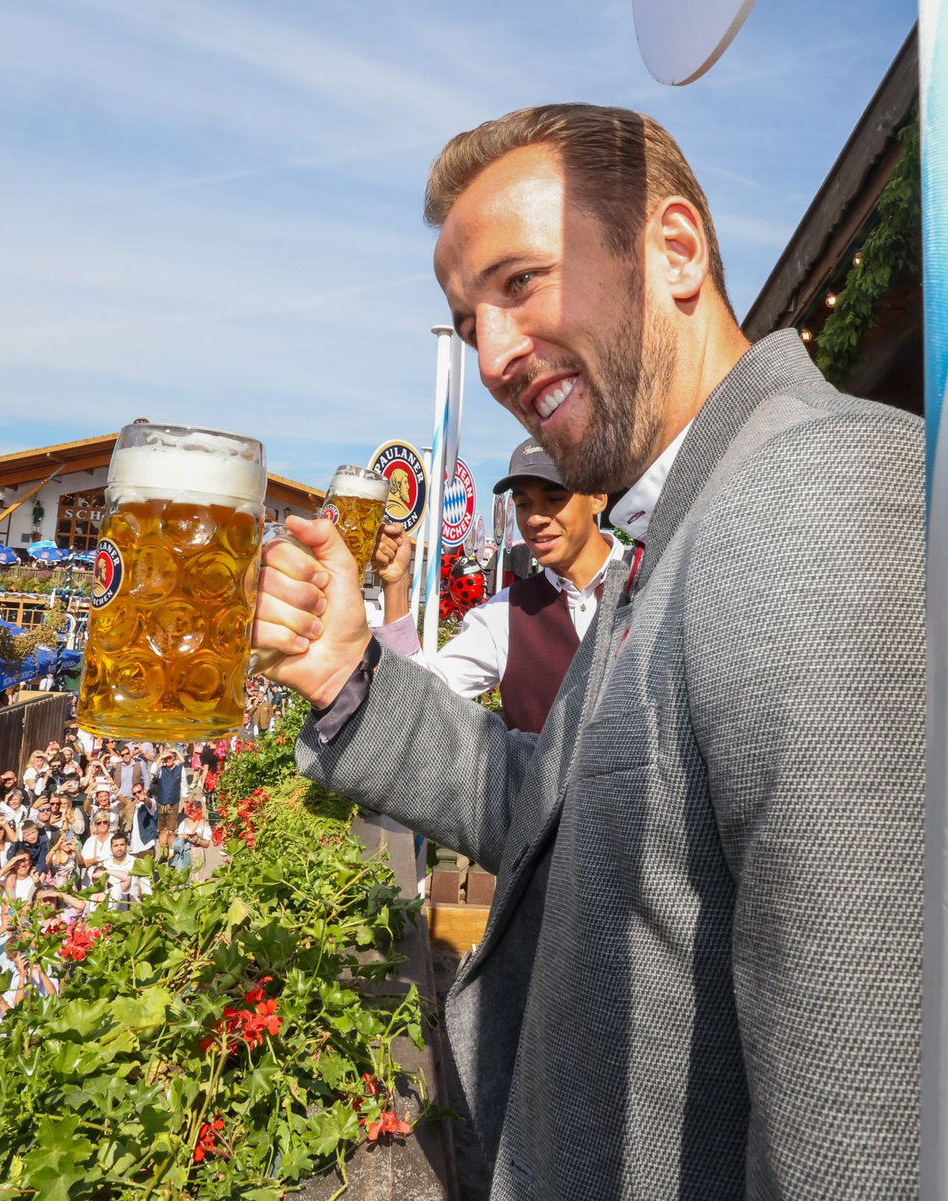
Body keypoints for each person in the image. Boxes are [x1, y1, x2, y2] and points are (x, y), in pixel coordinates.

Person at [251, 103, 923, 1195]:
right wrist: (346, 678)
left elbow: (864, 1120)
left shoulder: (815, 491)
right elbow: (548, 811)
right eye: (470, 321)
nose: (496, 355)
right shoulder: (677, 526)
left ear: (675, 252)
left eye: (520, 282)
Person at [373, 439, 622, 734]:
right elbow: (415, 700)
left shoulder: (656, 572)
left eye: (555, 498)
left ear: (598, 496)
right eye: (523, 504)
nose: (535, 518)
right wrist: (396, 586)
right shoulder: (505, 612)